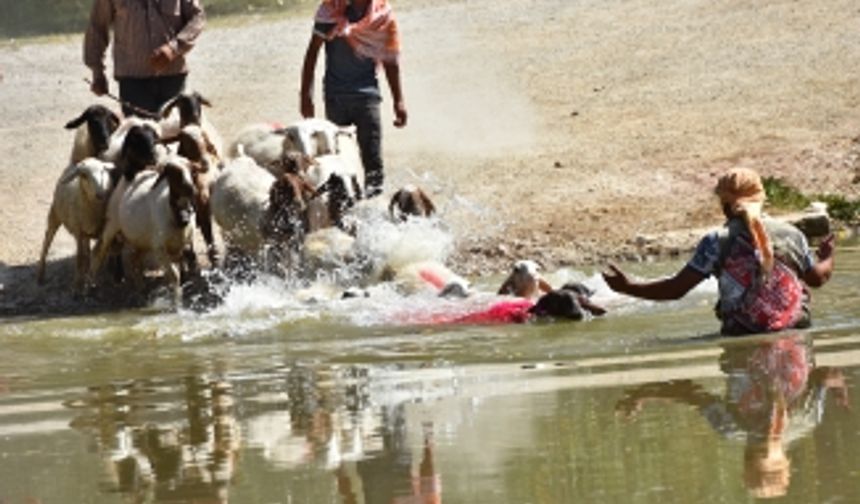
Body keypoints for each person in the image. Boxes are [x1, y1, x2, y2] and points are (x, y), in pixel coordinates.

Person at [603, 167, 835, 335]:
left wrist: (628, 287)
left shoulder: (716, 242)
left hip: (741, 332)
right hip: (794, 332)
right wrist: (827, 257)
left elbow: (675, 290)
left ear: (724, 205)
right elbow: (817, 277)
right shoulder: (791, 235)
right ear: (762, 199)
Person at [300, 0, 407, 197]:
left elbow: (390, 59)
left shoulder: (382, 15)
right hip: (336, 97)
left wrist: (398, 101)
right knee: (338, 160)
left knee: (372, 160)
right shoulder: (331, 11)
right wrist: (306, 96)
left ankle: (374, 210)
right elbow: (312, 53)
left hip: (367, 97)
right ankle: (344, 209)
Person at [84, 0, 206, 117]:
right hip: (133, 83)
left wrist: (173, 48)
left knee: (175, 134)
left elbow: (197, 17)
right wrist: (97, 72)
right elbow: (97, 27)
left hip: (173, 79)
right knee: (141, 135)